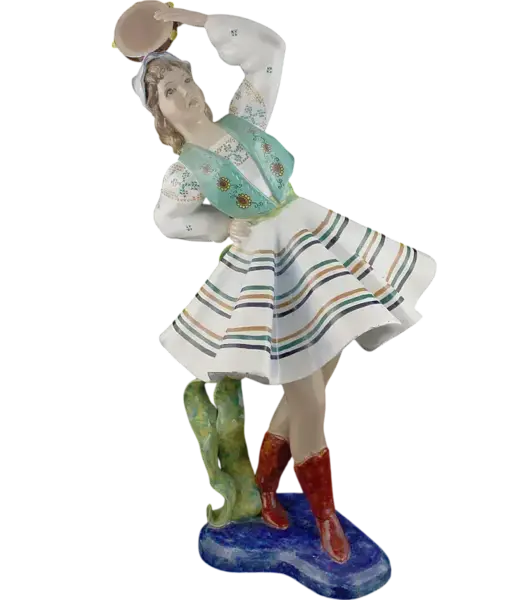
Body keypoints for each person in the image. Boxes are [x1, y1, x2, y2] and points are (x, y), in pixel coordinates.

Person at [135, 7, 437, 564]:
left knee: (322, 371)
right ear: (159, 112)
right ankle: (324, 515)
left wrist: (189, 17)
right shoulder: (185, 169)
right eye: (169, 92)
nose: (185, 94)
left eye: (186, 81)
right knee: (309, 393)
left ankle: (267, 480)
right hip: (268, 268)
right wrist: (224, 228)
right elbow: (169, 220)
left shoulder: (244, 117)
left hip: (313, 240)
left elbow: (269, 51)